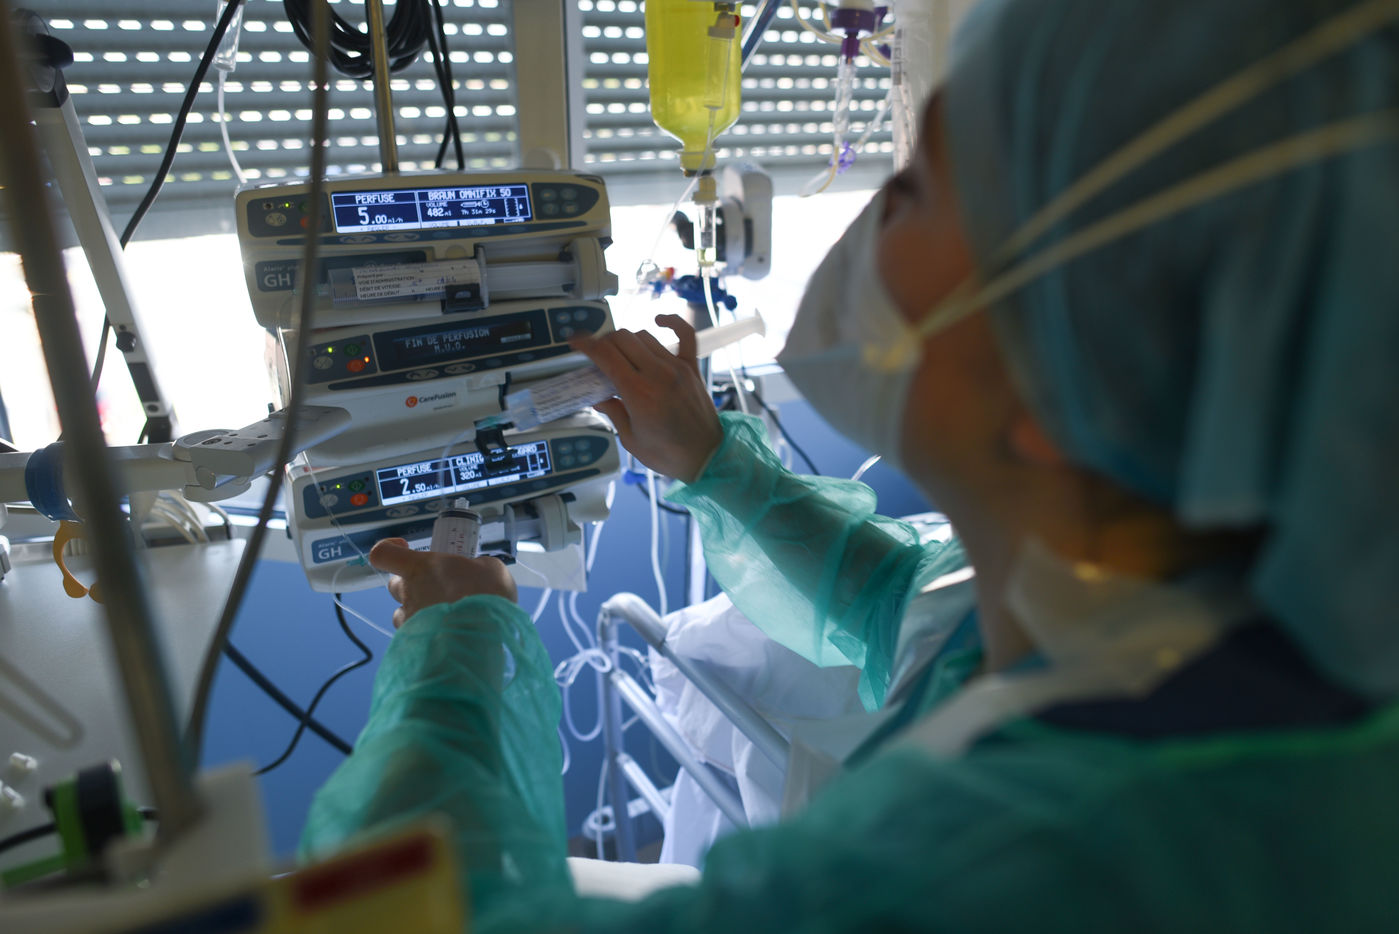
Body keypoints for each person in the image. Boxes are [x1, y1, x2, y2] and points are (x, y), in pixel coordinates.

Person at [301, 0, 1399, 929]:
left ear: (1062, 382)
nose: (870, 226)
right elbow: (900, 604)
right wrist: (716, 465)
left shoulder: (1014, 868)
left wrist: (456, 663)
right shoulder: (1165, 625)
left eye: (915, 188)